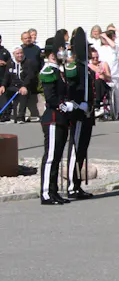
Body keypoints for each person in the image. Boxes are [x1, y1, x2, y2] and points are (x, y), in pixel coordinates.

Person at [38, 34, 75, 205]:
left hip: (61, 118)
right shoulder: (48, 71)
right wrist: (63, 105)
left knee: (58, 156)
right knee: (51, 156)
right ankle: (46, 192)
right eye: (61, 51)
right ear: (53, 54)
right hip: (53, 117)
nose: (64, 54)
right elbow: (51, 97)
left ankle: (54, 191)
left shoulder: (60, 72)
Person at [65, 28, 96, 200]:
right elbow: (69, 90)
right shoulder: (74, 67)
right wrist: (78, 105)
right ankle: (71, 185)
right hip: (78, 114)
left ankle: (76, 184)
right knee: (76, 149)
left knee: (82, 150)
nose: (90, 51)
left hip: (87, 115)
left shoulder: (86, 68)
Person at [4, 47, 39, 124]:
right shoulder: (10, 62)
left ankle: (20, 117)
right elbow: (6, 75)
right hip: (13, 85)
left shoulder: (28, 62)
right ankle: (8, 115)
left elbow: (30, 76)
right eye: (17, 53)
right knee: (5, 93)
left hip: (24, 85)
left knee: (23, 94)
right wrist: (3, 85)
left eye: (21, 53)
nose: (20, 55)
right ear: (14, 54)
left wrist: (24, 85)